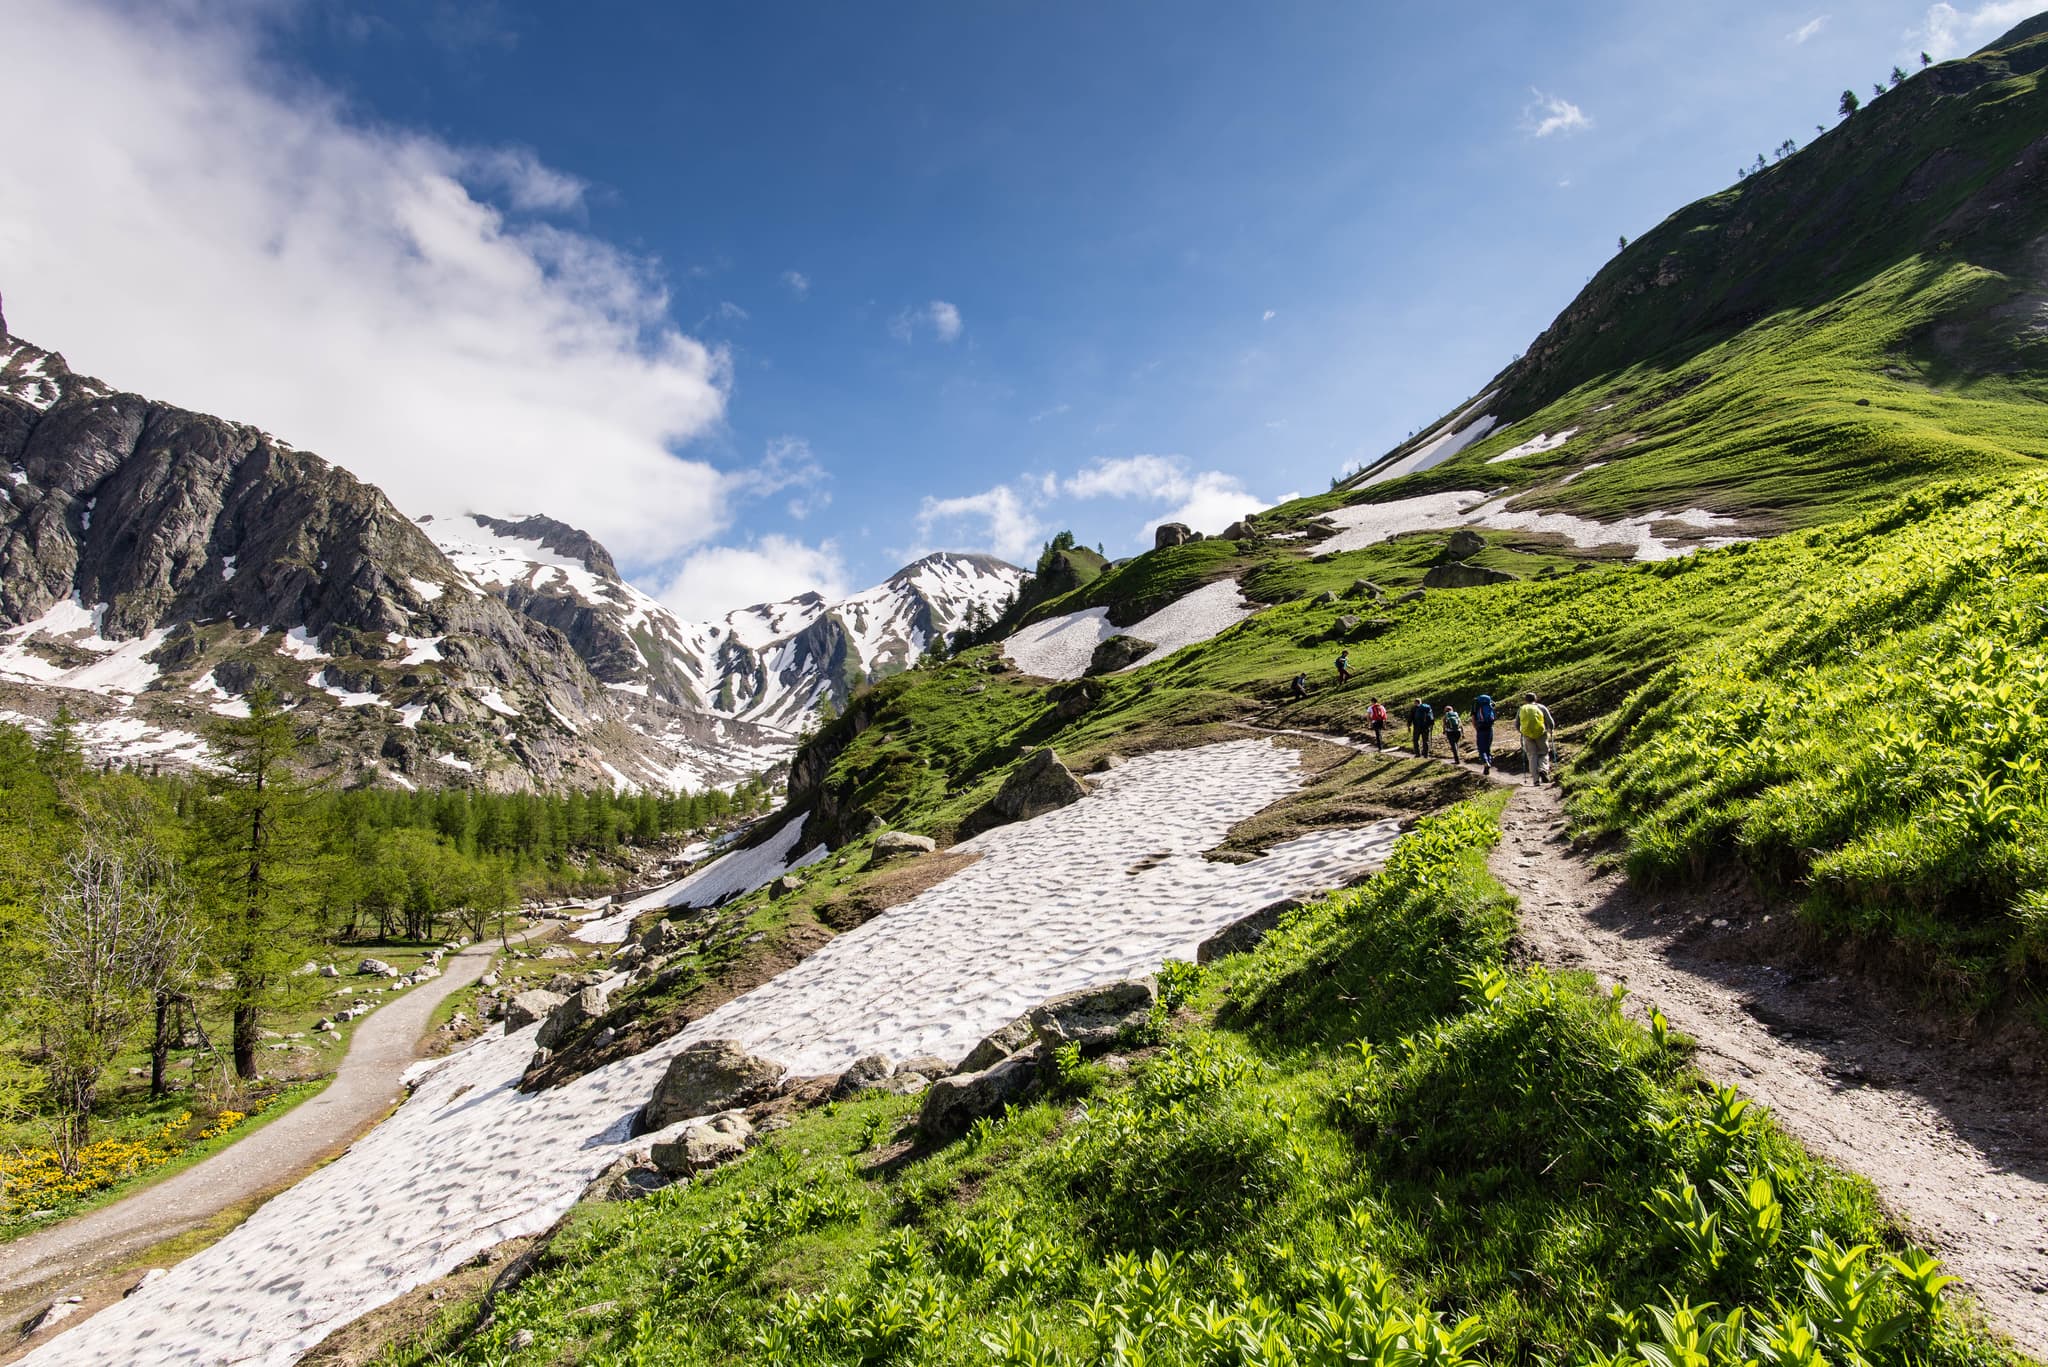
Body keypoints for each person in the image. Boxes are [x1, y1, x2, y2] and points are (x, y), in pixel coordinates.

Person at [1517, 691, 1557, 785]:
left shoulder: (1522, 709)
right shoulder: (1541, 707)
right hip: (1541, 734)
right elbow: (1550, 721)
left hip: (1527, 735)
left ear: (1525, 700)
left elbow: (1517, 724)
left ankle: (1535, 780)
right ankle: (1543, 769)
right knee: (1543, 753)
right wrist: (1551, 729)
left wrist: (1522, 732)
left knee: (1532, 756)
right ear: (1536, 699)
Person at [1472, 693, 1497, 775]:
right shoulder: (1490, 705)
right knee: (1488, 748)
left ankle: (1486, 762)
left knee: (1481, 749)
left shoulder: (1476, 707)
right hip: (1489, 728)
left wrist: (1476, 728)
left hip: (1481, 729)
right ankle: (1489, 762)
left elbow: (1473, 719)